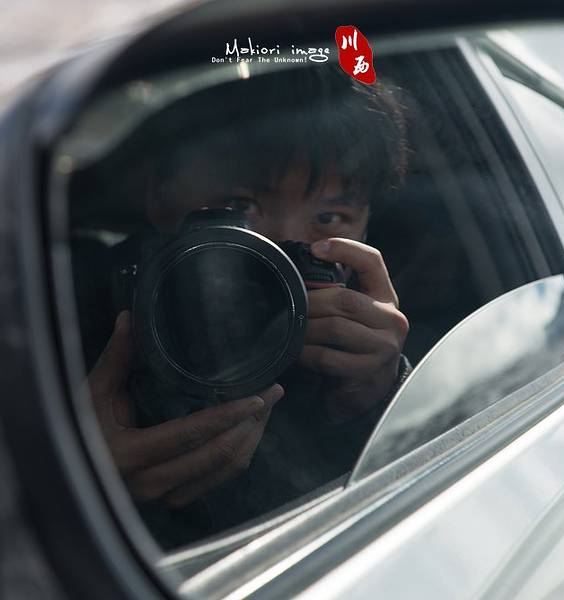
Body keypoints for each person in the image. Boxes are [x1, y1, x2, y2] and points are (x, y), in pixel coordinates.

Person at [76, 63, 411, 547]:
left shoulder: (345, 358)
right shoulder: (59, 310)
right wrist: (70, 470)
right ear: (159, 195)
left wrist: (374, 397)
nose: (284, 247)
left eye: (329, 216)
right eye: (239, 206)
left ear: (364, 230)